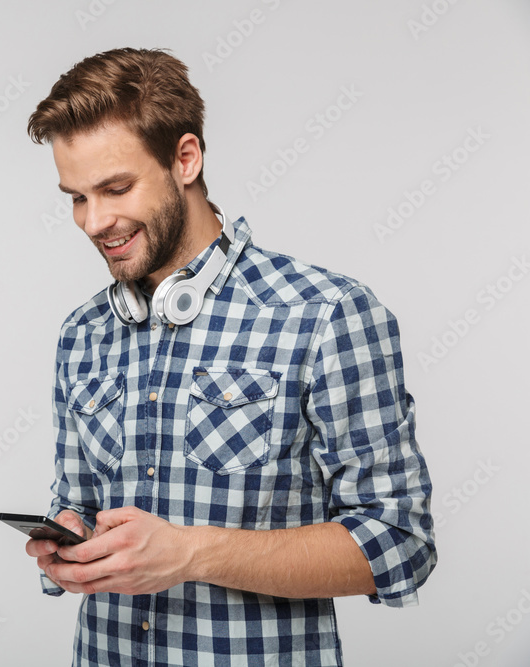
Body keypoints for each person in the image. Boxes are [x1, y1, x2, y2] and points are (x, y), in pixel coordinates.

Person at [22, 47, 436, 666]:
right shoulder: (82, 334)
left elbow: (400, 542)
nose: (93, 221)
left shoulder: (326, 315)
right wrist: (69, 544)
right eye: (76, 197)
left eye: (115, 188)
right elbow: (78, 502)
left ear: (185, 159)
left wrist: (190, 552)